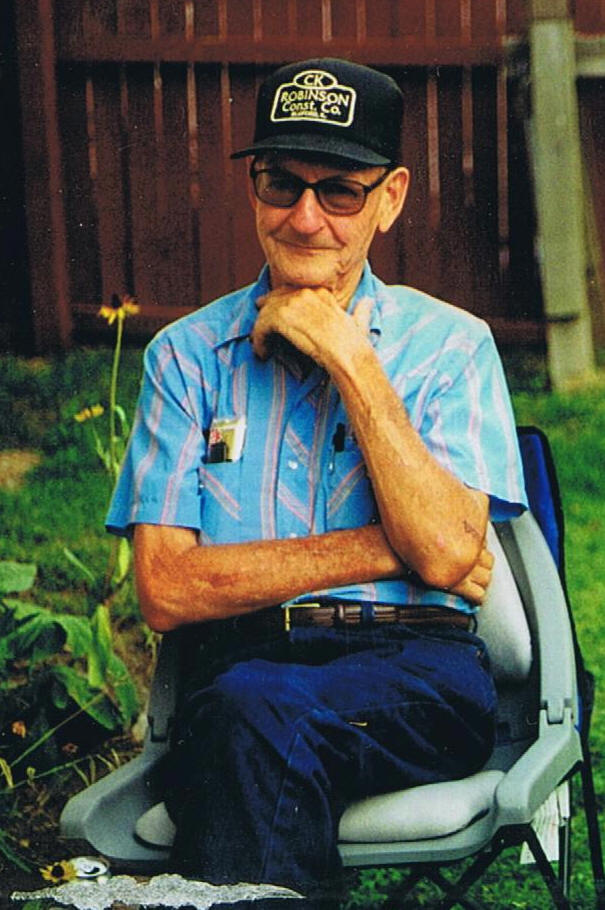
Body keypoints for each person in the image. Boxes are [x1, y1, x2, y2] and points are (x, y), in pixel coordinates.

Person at [106, 58, 527, 902]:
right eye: (280, 184)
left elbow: (448, 554)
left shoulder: (452, 347)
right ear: (253, 187)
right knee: (252, 712)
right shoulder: (185, 358)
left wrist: (348, 356)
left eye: (338, 191)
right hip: (238, 670)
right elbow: (167, 589)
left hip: (414, 675)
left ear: (389, 198)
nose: (304, 219)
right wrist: (387, 548)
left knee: (251, 722)